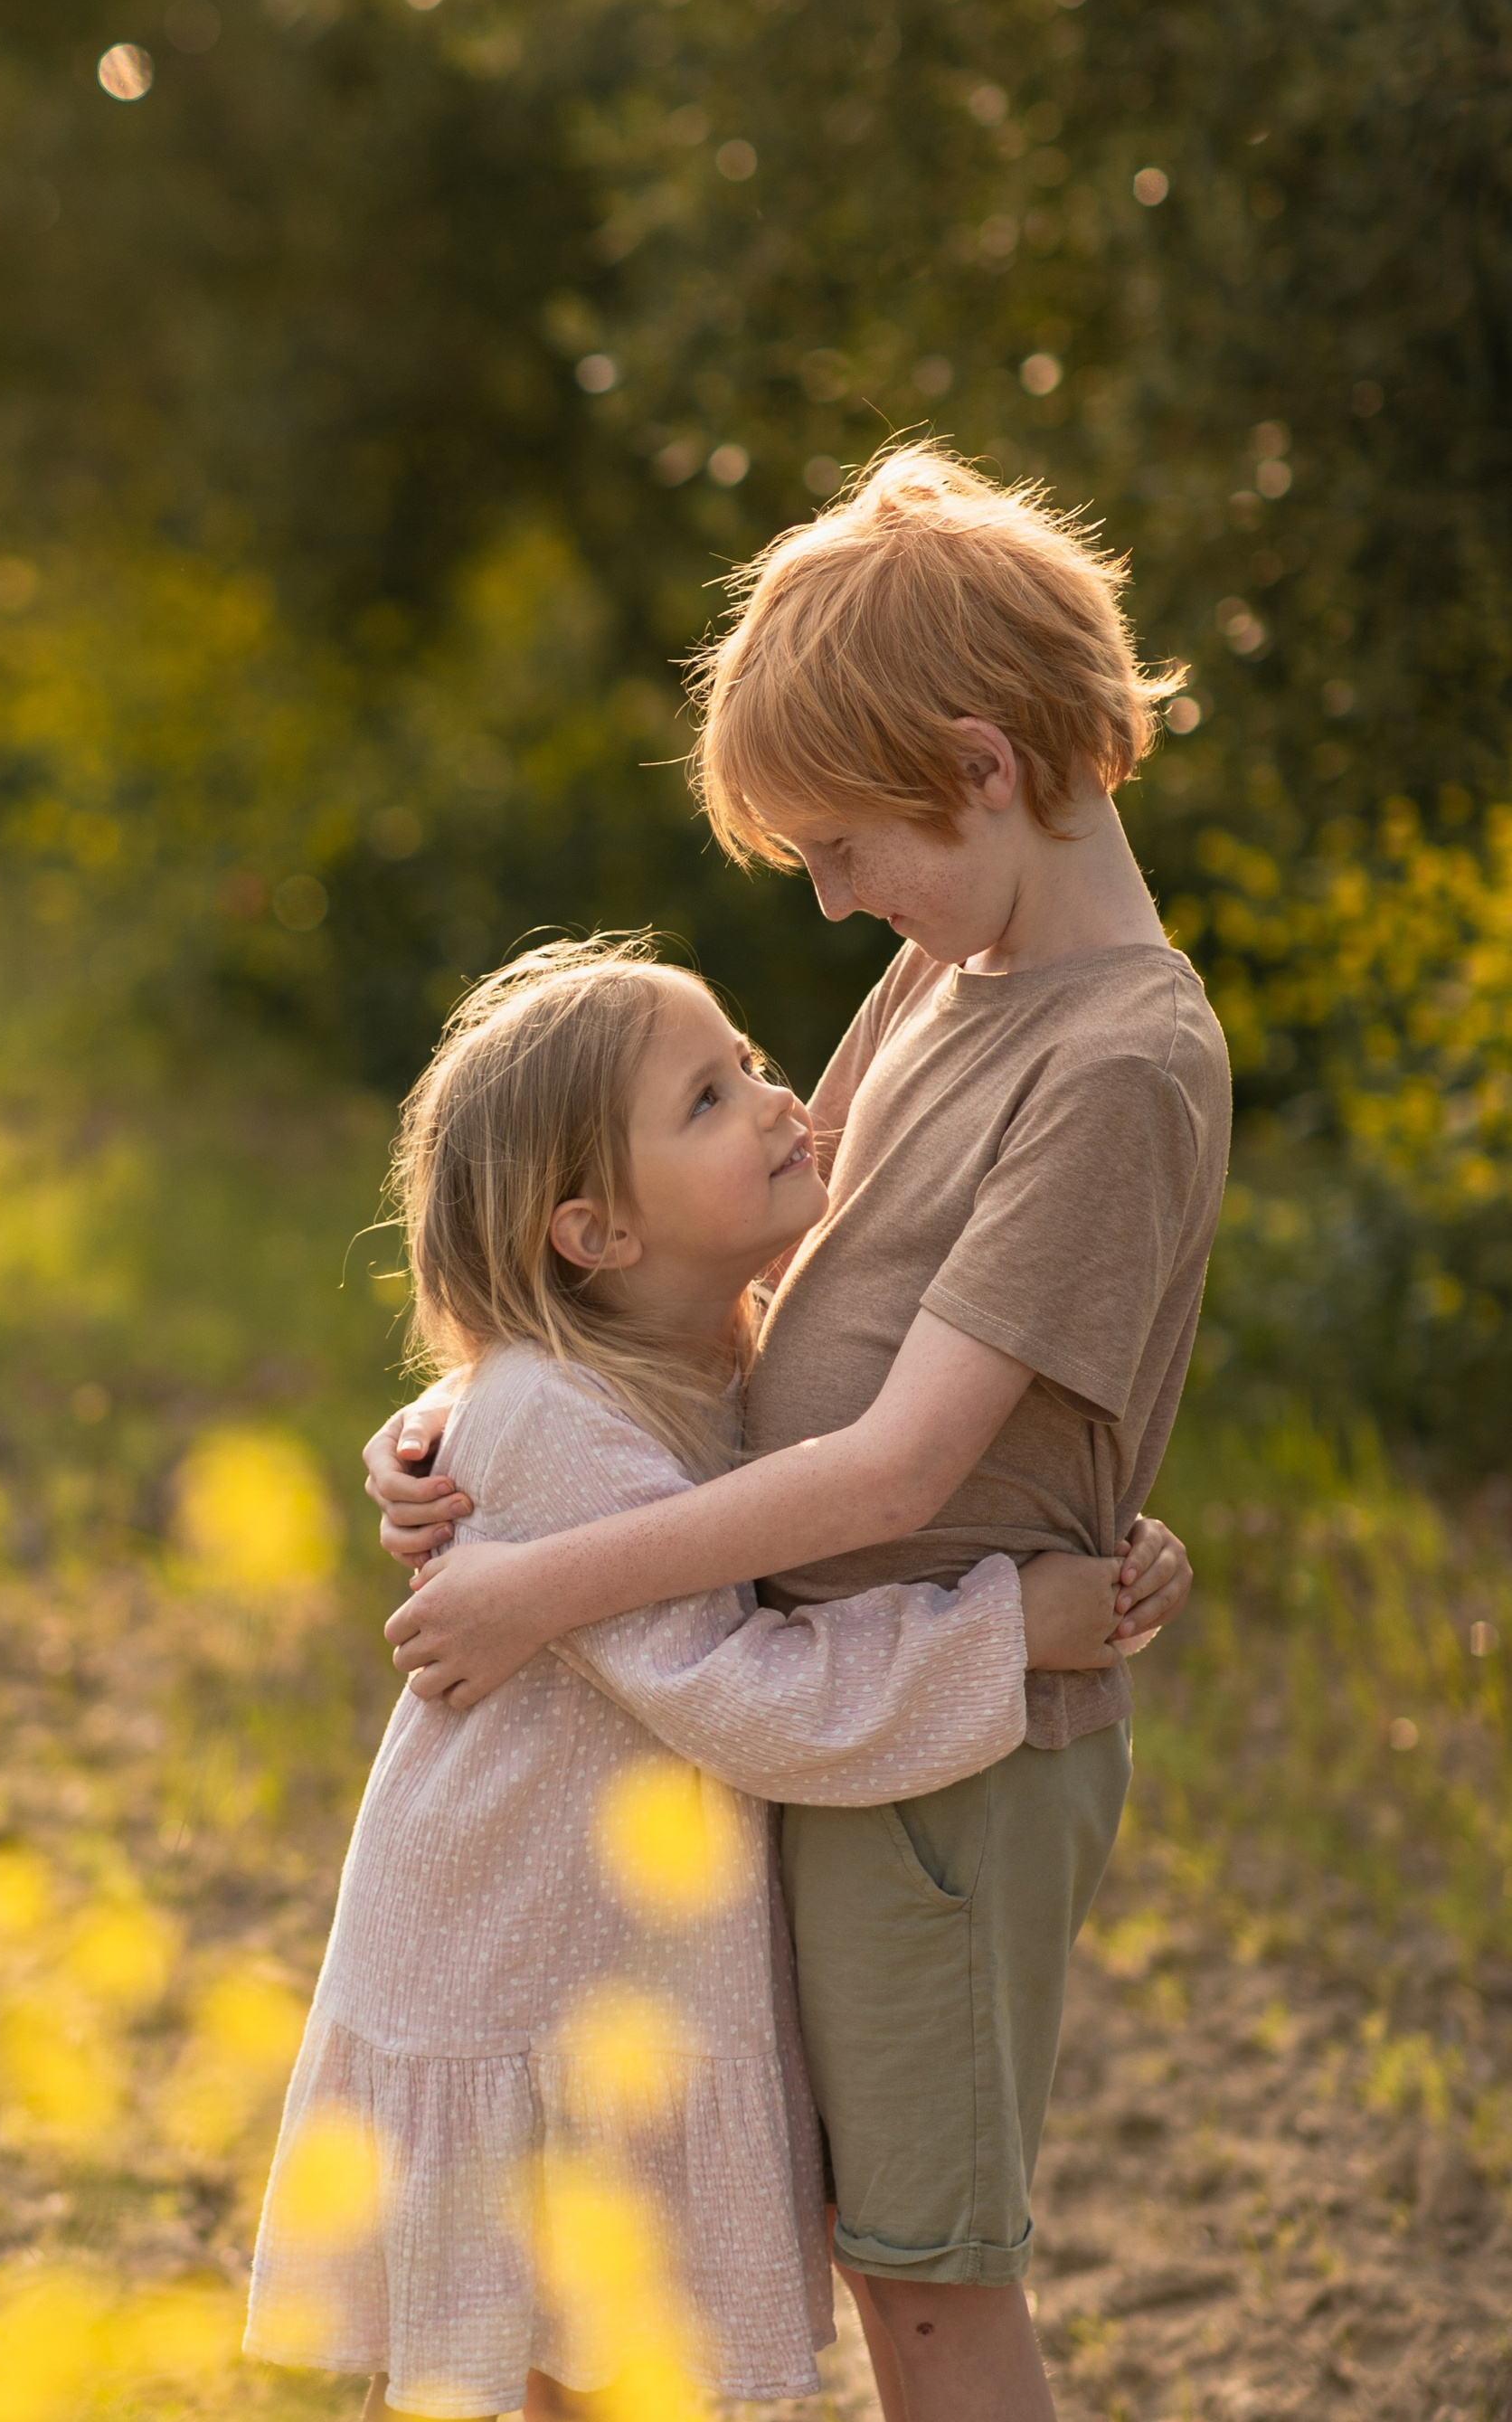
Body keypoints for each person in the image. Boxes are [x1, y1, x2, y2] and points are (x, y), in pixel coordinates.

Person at [366, 446, 1230, 2422]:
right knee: (855, 2248)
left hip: (935, 1739)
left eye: (843, 847)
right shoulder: (952, 963)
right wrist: (452, 1437)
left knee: (927, 2281)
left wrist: (527, 1591)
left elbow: (892, 1470)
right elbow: (740, 1263)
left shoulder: (1115, 1058)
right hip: (842, 1705)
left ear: (982, 763)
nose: (832, 902)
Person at [244, 933, 1186, 2421]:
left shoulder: (702, 1367)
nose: (775, 1097)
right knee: (513, 2376)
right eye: (705, 1097)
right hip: (521, 1973)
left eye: (747, 1059)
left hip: (589, 1960)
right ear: (594, 1234)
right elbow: (749, 1695)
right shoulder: (550, 1422)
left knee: (569, 2368)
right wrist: (1010, 1628)